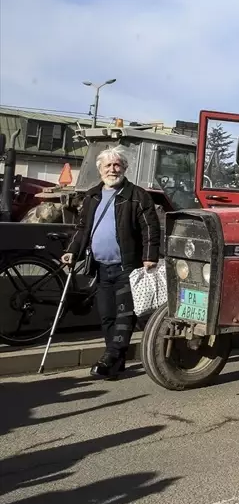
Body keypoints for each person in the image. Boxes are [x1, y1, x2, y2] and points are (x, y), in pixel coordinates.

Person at [61, 147, 161, 380]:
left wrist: (150, 256)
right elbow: (82, 227)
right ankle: (116, 362)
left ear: (125, 168)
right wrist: (71, 251)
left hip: (129, 266)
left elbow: (150, 228)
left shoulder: (137, 195)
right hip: (101, 267)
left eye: (117, 165)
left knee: (125, 315)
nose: (112, 169)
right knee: (107, 315)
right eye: (108, 166)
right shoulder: (92, 195)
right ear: (100, 169)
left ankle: (110, 357)